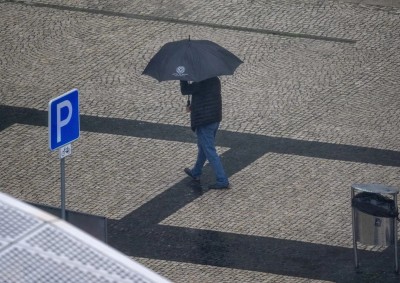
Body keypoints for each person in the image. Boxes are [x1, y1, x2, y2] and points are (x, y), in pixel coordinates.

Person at [180, 77, 230, 189]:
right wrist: (192, 106)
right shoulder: (215, 80)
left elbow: (185, 90)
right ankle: (196, 172)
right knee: (203, 147)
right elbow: (205, 98)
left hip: (204, 121)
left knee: (209, 149)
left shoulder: (199, 81)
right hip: (214, 118)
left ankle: (222, 180)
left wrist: (183, 78)